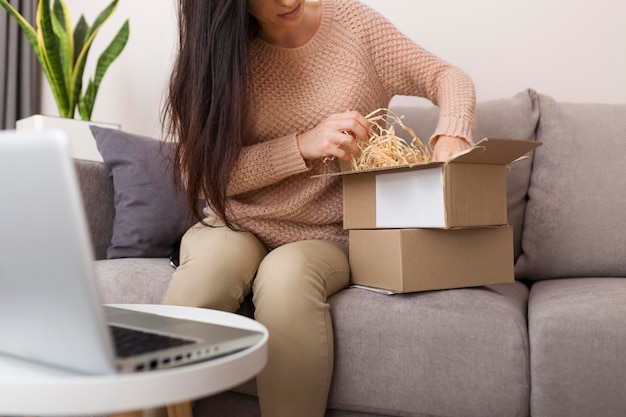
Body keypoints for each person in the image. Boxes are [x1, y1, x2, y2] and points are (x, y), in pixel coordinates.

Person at [161, 0, 476, 416]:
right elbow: (199, 175)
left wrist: (452, 133)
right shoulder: (218, 56)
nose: (288, 1)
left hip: (327, 234)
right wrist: (301, 146)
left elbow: (446, 76)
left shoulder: (354, 25)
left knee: (286, 278)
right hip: (238, 222)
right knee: (206, 278)